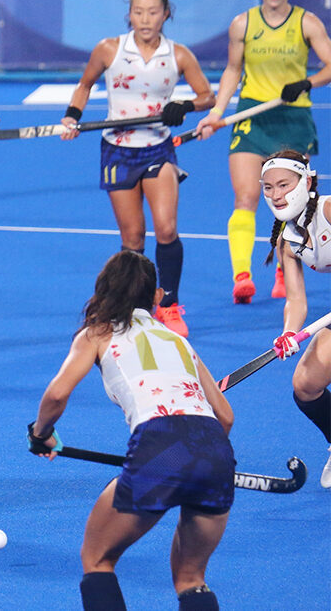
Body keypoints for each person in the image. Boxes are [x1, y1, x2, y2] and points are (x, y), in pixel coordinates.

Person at [30, 251, 235, 610]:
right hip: (215, 451)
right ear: (156, 297)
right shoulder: (179, 341)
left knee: (97, 558)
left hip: (162, 447)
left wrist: (40, 433)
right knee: (191, 578)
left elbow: (57, 394)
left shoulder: (97, 333)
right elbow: (226, 418)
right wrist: (196, 457)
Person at [61, 0, 215, 338]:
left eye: (153, 12)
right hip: (118, 150)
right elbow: (85, 85)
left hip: (158, 149)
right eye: (138, 12)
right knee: (132, 238)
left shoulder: (178, 55)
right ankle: (134, 305)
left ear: (166, 15)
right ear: (129, 14)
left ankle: (169, 304)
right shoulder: (109, 49)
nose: (145, 19)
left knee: (166, 229)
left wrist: (184, 106)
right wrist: (71, 117)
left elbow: (207, 96)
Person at [195, 0, 331, 304]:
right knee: (246, 197)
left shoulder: (307, 23)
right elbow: (232, 69)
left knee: (293, 204)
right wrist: (217, 112)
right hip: (252, 116)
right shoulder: (243, 24)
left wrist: (307, 83)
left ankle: (286, 266)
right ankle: (242, 276)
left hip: (293, 118)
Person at [259, 151, 331, 488]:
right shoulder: (287, 240)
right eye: (268, 187)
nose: (276, 194)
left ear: (307, 182)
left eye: (284, 185)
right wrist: (289, 333)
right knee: (305, 384)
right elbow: (296, 300)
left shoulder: (329, 211)